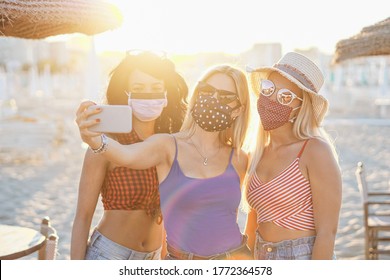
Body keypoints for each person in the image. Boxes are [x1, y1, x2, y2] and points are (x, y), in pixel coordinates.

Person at [75, 65, 254, 260]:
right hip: (111, 253)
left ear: (238, 109)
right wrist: (94, 140)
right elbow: (125, 155)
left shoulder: (240, 158)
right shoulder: (167, 145)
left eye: (225, 97)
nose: (212, 100)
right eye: (207, 91)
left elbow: (225, 215)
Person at [71, 51, 188, 260]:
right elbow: (82, 216)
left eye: (156, 88)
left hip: (154, 258)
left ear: (166, 94)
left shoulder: (171, 143)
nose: (148, 95)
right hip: (109, 255)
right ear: (126, 93)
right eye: (139, 88)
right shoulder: (105, 145)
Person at [243, 52, 342, 260]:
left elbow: (327, 234)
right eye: (268, 89)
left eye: (285, 96)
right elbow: (253, 223)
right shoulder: (258, 152)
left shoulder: (314, 151)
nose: (271, 99)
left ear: (300, 107)